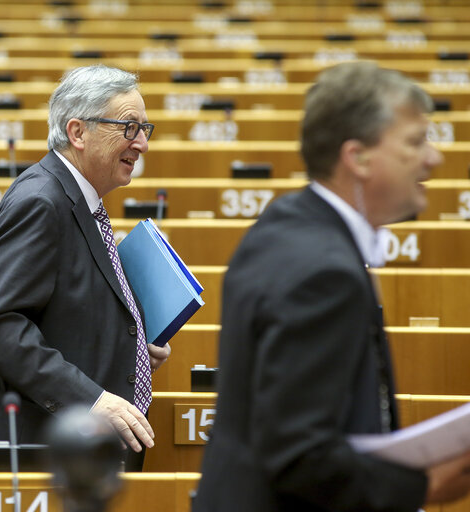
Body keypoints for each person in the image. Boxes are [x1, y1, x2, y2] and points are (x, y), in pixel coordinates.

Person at [192, 61, 470, 511]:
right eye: (416, 142)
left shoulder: (283, 221)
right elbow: (300, 457)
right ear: (357, 158)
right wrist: (426, 487)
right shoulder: (325, 275)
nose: (434, 157)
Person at [0, 65, 171, 472]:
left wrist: (133, 345)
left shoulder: (79, 200)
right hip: (40, 459)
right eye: (129, 127)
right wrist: (90, 400)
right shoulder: (40, 202)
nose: (142, 144)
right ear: (78, 132)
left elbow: (66, 313)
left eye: (145, 129)